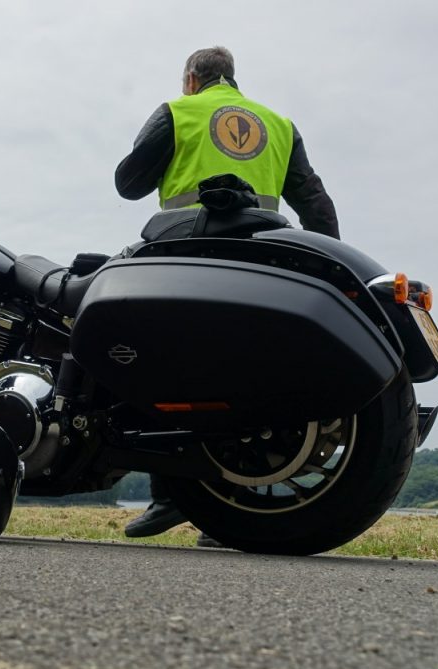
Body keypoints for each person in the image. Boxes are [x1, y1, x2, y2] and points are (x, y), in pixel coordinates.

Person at [114, 46, 340, 545]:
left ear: (192, 79)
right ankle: (231, 507)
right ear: (231, 79)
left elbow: (128, 183)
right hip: (258, 260)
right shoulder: (278, 123)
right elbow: (315, 204)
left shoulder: (179, 110)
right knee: (243, 372)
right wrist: (329, 266)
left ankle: (171, 494)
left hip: (185, 253)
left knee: (153, 359)